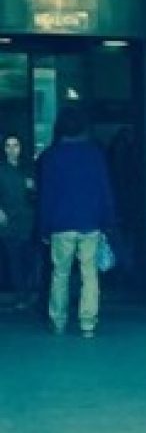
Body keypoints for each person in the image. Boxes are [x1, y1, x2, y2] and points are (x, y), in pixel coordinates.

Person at [38, 103, 116, 338]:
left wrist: (43, 228)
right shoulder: (95, 154)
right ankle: (88, 323)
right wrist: (108, 221)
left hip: (60, 224)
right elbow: (105, 191)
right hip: (90, 223)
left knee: (60, 274)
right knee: (89, 274)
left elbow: (46, 196)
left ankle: (58, 321)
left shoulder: (51, 156)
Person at [0, 134, 37, 310]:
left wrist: (32, 188)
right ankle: (21, 295)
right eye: (8, 145)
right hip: (9, 220)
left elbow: (35, 196)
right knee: (15, 259)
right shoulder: (1, 170)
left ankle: (26, 293)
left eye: (15, 145)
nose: (12, 149)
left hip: (27, 219)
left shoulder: (28, 169)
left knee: (28, 259)